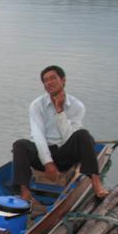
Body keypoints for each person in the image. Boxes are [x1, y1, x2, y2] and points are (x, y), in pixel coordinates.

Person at [12, 65, 109, 204]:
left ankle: (96, 182)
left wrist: (59, 111)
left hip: (64, 154)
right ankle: (25, 192)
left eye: (53, 78)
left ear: (63, 80)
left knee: (84, 135)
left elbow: (68, 137)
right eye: (45, 81)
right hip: (42, 155)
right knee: (19, 145)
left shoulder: (77, 106)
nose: (49, 83)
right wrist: (48, 163)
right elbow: (38, 135)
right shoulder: (37, 105)